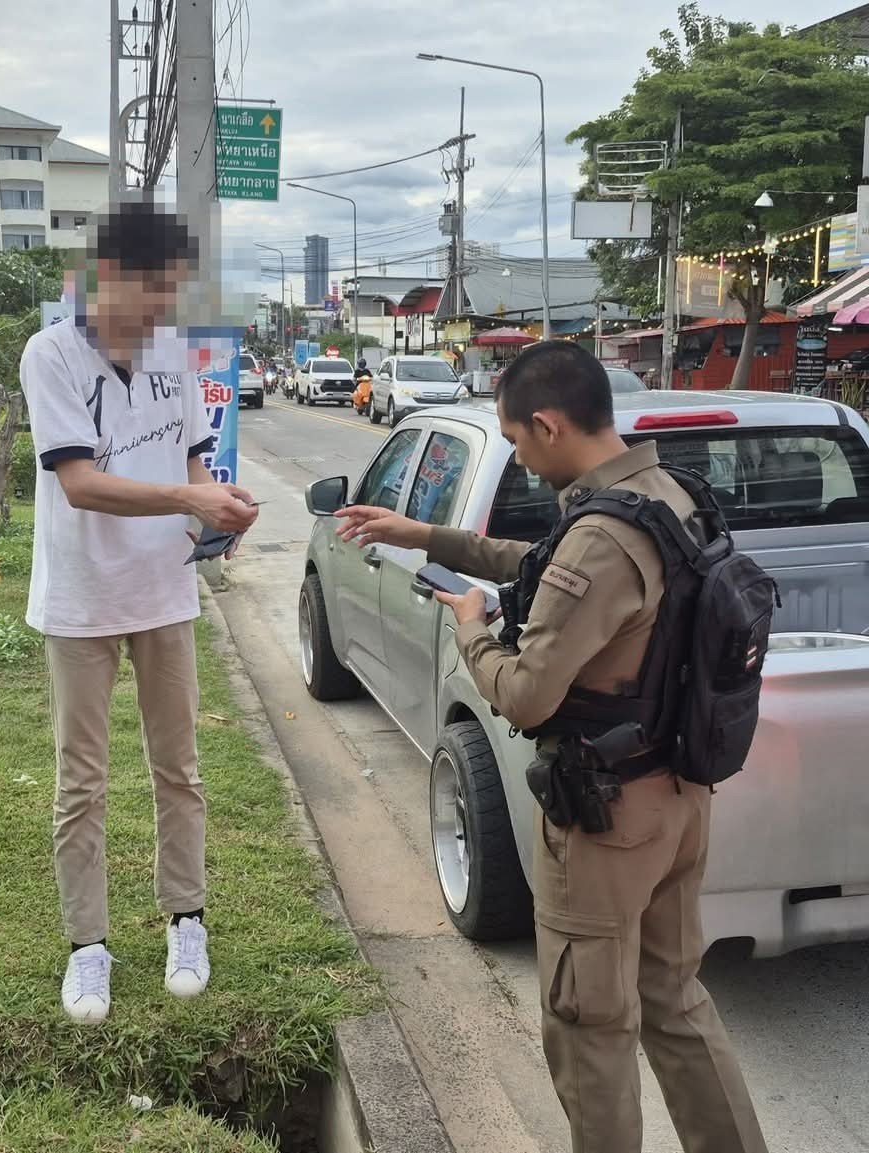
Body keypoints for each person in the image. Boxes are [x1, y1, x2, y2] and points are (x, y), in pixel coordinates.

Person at [329, 341, 768, 1153]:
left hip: (606, 819)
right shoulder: (668, 492)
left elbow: (528, 691)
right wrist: (426, 534)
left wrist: (472, 634)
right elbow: (545, 565)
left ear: (549, 423)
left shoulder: (602, 533)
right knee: (674, 1001)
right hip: (678, 793)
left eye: (521, 443)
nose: (525, 461)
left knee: (589, 1025)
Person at [18, 201, 260, 1024]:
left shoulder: (172, 354)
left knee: (179, 767)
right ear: (109, 276)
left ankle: (185, 920)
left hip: (163, 592)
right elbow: (79, 482)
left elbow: (193, 460)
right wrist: (185, 494)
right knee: (80, 780)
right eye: (156, 289)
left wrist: (213, 513)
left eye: (175, 292)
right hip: (81, 597)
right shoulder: (50, 354)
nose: (165, 308)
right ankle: (88, 946)